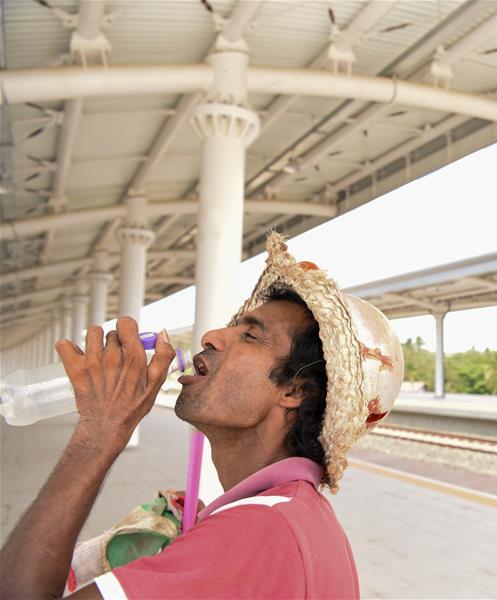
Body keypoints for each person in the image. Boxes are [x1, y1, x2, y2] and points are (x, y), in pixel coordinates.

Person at [0, 232, 405, 599]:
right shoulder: (290, 516)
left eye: (250, 335)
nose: (212, 336)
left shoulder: (254, 535)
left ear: (294, 391)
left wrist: (99, 433)